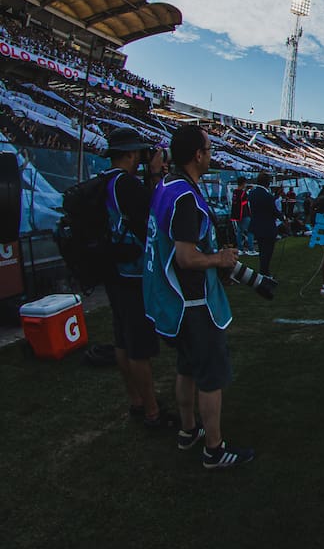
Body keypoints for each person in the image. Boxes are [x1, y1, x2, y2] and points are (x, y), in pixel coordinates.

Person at [143, 125, 254, 469]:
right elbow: (186, 257)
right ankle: (214, 449)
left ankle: (188, 430)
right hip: (192, 303)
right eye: (208, 148)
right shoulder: (185, 196)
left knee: (186, 369)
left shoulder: (167, 186)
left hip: (172, 303)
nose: (211, 154)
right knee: (210, 377)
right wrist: (219, 260)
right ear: (197, 154)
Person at [101, 128, 173, 428]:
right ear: (132, 153)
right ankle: (152, 411)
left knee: (122, 340)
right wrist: (156, 174)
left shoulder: (104, 181)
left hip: (111, 269)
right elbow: (154, 213)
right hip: (131, 272)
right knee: (139, 346)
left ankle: (136, 400)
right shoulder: (127, 184)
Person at [247, 172, 284, 277]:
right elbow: (273, 211)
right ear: (267, 183)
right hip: (268, 227)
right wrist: (283, 218)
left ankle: (263, 271)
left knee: (262, 250)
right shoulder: (267, 196)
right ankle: (265, 272)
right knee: (267, 252)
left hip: (257, 226)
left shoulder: (252, 193)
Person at [229, 176, 256, 256]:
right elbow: (245, 201)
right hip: (244, 214)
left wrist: (246, 190)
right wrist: (249, 191)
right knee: (250, 231)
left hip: (237, 215)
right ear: (244, 183)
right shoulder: (242, 193)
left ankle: (240, 249)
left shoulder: (235, 192)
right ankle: (251, 249)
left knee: (239, 232)